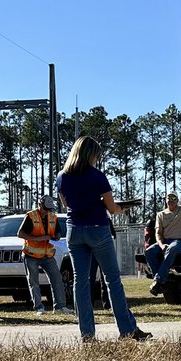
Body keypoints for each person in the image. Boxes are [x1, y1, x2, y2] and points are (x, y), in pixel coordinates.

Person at [56, 136, 151, 341]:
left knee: (80, 282)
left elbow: (67, 204)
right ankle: (127, 330)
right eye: (96, 155)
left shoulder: (62, 176)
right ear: (91, 154)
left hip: (74, 231)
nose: (97, 159)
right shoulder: (97, 176)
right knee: (112, 280)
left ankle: (87, 334)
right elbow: (111, 207)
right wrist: (121, 208)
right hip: (98, 229)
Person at [18, 195, 74, 318]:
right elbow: (20, 234)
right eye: (45, 208)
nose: (47, 211)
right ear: (40, 205)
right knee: (34, 281)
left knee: (57, 279)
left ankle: (60, 306)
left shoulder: (53, 216)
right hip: (31, 255)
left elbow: (58, 231)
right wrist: (37, 239)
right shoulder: (31, 216)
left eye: (49, 209)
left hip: (47, 254)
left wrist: (57, 235)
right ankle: (39, 307)